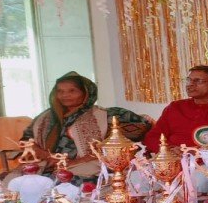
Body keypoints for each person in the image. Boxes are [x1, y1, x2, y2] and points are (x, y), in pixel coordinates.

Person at [13, 71, 149, 180]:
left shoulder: (105, 116)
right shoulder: (45, 117)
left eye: (72, 91)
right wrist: (47, 156)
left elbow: (140, 129)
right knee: (13, 180)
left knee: (67, 180)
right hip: (46, 163)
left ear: (86, 93)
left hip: (88, 164)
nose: (65, 95)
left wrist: (79, 160)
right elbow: (26, 141)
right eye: (60, 91)